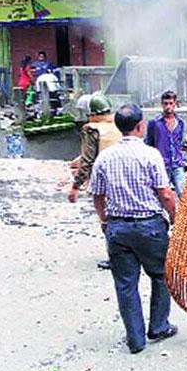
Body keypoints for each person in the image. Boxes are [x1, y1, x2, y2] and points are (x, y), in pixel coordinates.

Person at [90, 104, 178, 354]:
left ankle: (136, 340)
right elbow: (165, 193)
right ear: (140, 126)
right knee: (161, 276)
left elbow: (97, 195)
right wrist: (175, 217)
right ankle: (159, 326)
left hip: (118, 228)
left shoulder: (104, 157)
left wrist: (104, 220)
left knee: (126, 284)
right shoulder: (151, 155)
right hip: (150, 226)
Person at [68, 94, 122, 269]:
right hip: (124, 176)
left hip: (103, 180)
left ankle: (115, 256)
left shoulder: (91, 129)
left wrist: (75, 186)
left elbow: (88, 160)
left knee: (106, 220)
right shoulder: (117, 124)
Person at [145, 91, 187, 197]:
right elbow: (149, 143)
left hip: (177, 164)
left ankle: (182, 214)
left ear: (175, 104)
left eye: (170, 103)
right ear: (162, 104)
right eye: (165, 103)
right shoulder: (154, 123)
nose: (168, 106)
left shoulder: (180, 123)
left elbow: (179, 142)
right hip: (162, 165)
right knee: (163, 196)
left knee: (184, 194)